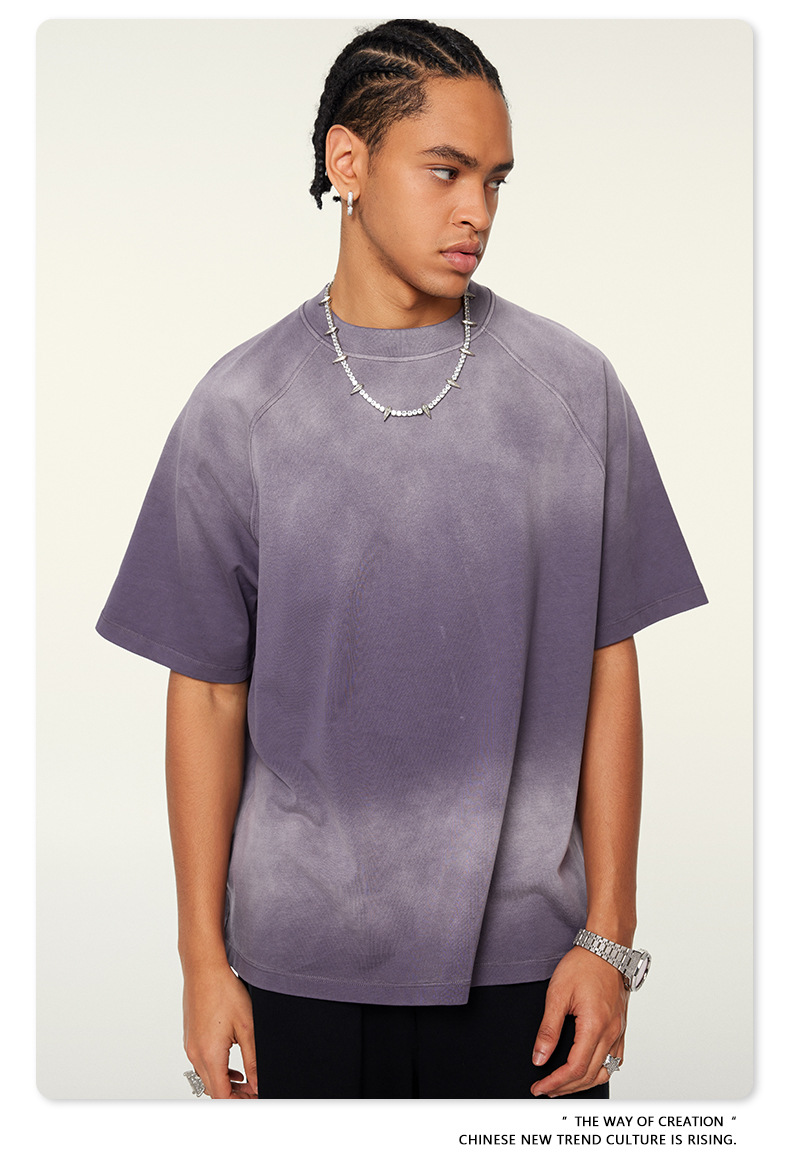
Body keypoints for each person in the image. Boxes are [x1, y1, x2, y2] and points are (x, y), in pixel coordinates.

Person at [96, 19, 707, 1100]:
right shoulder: (241, 407)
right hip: (294, 967)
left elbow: (607, 663)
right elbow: (207, 698)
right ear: (349, 161)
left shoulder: (573, 391)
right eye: (445, 170)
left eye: (495, 180)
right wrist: (201, 960)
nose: (478, 210)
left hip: (531, 974)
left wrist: (608, 937)